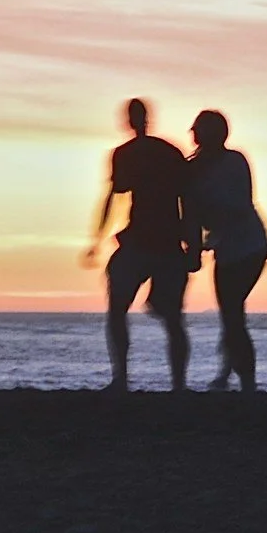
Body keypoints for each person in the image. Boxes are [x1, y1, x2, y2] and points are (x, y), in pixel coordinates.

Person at [81, 97, 195, 392]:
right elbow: (188, 201)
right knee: (164, 317)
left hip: (155, 241)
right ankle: (162, 383)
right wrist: (192, 243)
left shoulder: (134, 153)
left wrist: (96, 238)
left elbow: (114, 196)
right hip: (156, 241)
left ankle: (127, 378)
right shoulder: (165, 152)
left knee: (133, 311)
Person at [188, 108, 267, 392]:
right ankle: (228, 372)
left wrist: (202, 243)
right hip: (226, 247)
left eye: (197, 128)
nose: (192, 134)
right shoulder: (194, 168)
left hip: (249, 245)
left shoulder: (234, 161)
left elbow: (239, 205)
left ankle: (246, 379)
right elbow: (193, 214)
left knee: (232, 312)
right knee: (231, 312)